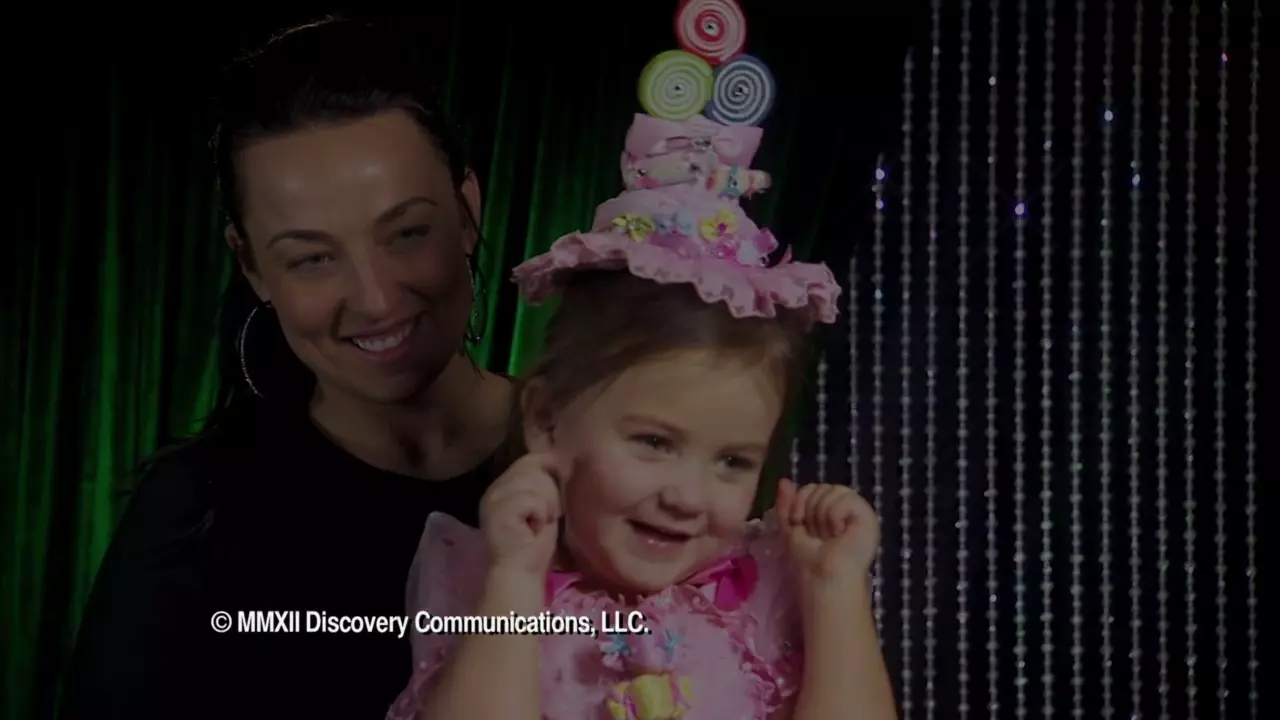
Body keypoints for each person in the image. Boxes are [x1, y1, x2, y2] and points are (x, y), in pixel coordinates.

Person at [386, 7, 897, 716]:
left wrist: (836, 593)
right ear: (546, 418)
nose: (688, 495)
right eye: (655, 442)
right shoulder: (487, 582)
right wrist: (513, 582)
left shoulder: (772, 590)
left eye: (733, 461)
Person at [58, 17, 515, 719]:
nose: (375, 299)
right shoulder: (194, 512)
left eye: (407, 232)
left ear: (467, 211)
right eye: (312, 257)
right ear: (251, 265)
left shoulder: (599, 461)